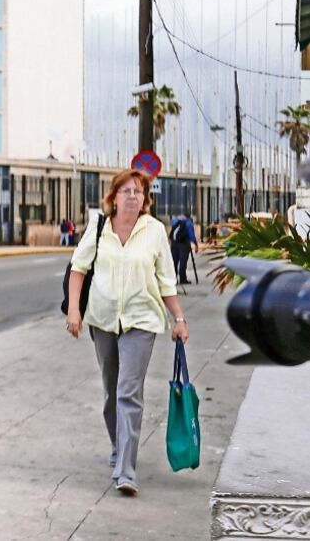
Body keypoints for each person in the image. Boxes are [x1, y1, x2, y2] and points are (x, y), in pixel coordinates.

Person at [65, 169, 189, 496]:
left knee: (128, 392)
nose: (133, 196)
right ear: (114, 197)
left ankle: (126, 472)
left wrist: (179, 318)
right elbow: (79, 268)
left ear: (145, 198)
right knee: (111, 394)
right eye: (126, 191)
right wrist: (75, 310)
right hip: (103, 319)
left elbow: (165, 281)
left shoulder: (154, 231)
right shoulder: (99, 226)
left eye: (138, 191)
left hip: (142, 320)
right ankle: (118, 446)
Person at [169, 214, 197, 284]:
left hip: (174, 243)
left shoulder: (176, 222)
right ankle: (182, 279)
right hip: (184, 244)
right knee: (183, 262)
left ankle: (174, 278)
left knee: (174, 261)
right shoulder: (188, 223)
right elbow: (191, 236)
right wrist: (196, 244)